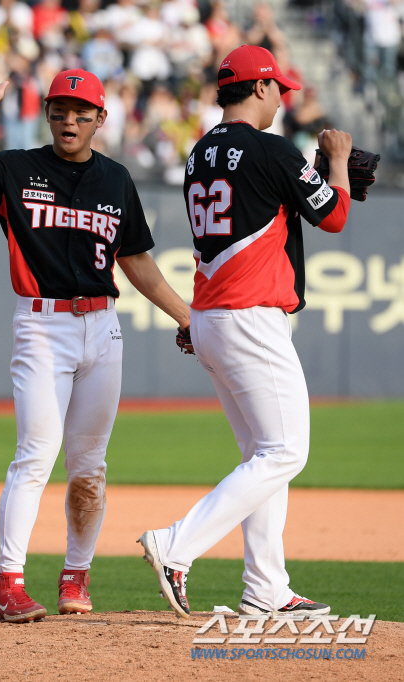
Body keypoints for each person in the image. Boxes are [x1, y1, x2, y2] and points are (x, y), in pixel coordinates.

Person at [0, 53, 191, 623]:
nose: (70, 120)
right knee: (35, 454)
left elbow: (137, 263)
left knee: (89, 466)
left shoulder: (116, 178)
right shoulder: (14, 168)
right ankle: (7, 582)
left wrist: (187, 316)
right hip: (41, 325)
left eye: (81, 110)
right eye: (60, 109)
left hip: (103, 328)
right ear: (48, 114)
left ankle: (75, 574)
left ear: (100, 118)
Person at [138, 44, 352, 618]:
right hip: (251, 315)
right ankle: (176, 545)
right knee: (286, 451)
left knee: (263, 453)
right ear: (259, 89)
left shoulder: (199, 152)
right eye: (278, 87)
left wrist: (318, 177)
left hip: (211, 314)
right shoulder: (272, 148)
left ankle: (266, 588)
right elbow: (333, 215)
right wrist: (336, 162)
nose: (282, 97)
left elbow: (270, 200)